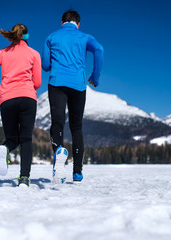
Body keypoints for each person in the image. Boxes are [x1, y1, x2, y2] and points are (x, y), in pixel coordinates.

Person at [42, 10, 104, 183]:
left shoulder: (51, 37)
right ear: (78, 23)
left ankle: (59, 155)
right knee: (76, 127)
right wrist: (95, 77)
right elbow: (99, 49)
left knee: (57, 122)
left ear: (62, 21)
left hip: (56, 84)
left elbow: (45, 65)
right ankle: (77, 172)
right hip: (78, 85)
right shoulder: (85, 37)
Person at [0, 24, 41, 187]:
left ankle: (4, 148)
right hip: (27, 98)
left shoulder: (1, 53)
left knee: (12, 138)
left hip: (7, 99)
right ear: (27, 36)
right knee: (25, 139)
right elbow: (37, 82)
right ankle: (24, 178)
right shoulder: (34, 54)